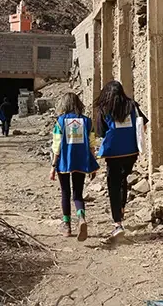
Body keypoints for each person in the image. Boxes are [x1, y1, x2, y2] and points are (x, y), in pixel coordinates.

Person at [94, 80, 149, 239]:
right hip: (131, 151)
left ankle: (117, 223)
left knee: (113, 184)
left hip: (113, 152)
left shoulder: (104, 109)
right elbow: (143, 124)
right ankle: (122, 209)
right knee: (123, 180)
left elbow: (101, 132)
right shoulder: (132, 105)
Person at [49, 92, 99, 241]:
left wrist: (53, 166)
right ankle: (81, 217)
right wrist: (92, 163)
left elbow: (56, 146)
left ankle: (66, 225)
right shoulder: (87, 122)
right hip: (81, 161)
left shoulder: (60, 122)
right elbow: (92, 145)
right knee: (78, 193)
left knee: (65, 192)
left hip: (64, 161)